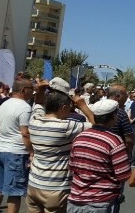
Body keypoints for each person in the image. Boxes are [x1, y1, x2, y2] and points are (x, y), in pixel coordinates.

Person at [26, 77, 95, 213]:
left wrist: (40, 90)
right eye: (69, 107)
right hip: (56, 188)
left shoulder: (34, 120)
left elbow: (38, 103)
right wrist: (83, 106)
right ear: (63, 107)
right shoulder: (66, 127)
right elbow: (97, 125)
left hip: (34, 184)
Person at [67, 99, 131, 213]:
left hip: (75, 201)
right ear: (113, 117)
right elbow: (123, 176)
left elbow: (72, 167)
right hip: (101, 202)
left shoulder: (79, 137)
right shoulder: (114, 141)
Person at [0, 77, 34, 213]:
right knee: (15, 193)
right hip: (16, 153)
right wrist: (32, 152)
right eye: (31, 89)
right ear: (24, 90)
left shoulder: (3, 104)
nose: (33, 92)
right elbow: (25, 133)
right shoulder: (24, 107)